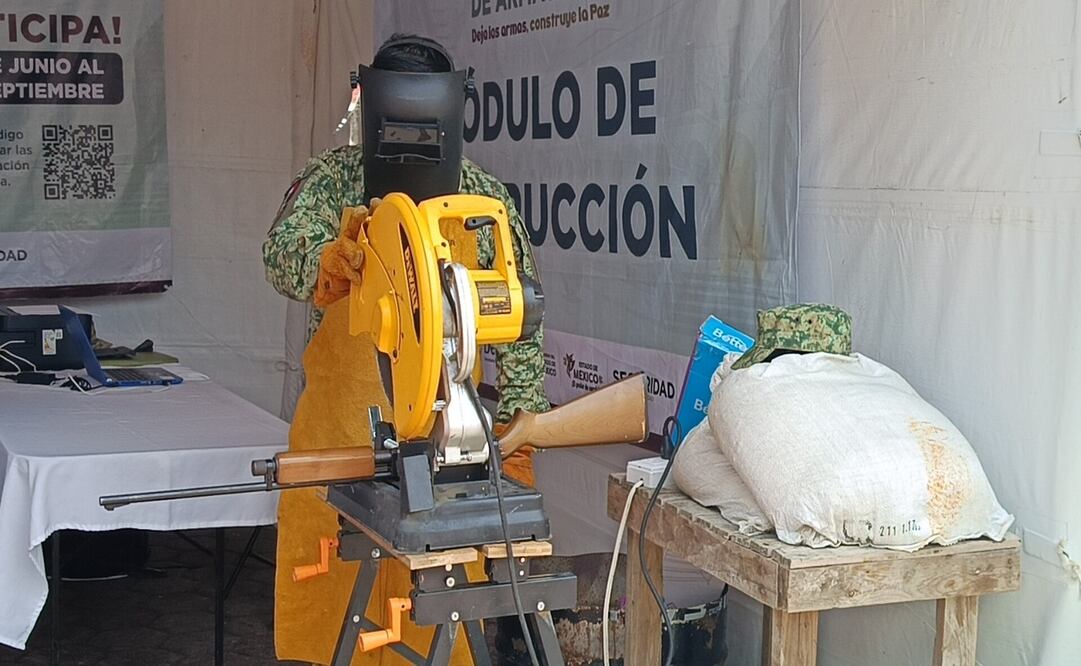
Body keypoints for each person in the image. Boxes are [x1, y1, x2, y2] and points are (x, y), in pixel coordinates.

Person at [261, 34, 548, 664]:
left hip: (446, 442)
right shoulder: (332, 179)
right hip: (339, 435)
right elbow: (280, 260)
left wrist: (518, 427)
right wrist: (330, 263)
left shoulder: (481, 201)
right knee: (330, 607)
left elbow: (520, 315)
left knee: (431, 615)